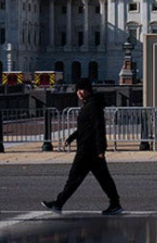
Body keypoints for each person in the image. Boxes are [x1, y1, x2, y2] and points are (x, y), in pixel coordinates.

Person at [43, 78, 122, 215]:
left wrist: (101, 148)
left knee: (74, 177)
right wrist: (72, 138)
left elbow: (99, 128)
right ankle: (115, 204)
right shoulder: (89, 105)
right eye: (78, 90)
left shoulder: (92, 106)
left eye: (82, 90)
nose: (79, 92)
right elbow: (85, 128)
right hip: (90, 149)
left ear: (88, 91)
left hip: (88, 150)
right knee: (103, 179)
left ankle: (58, 203)